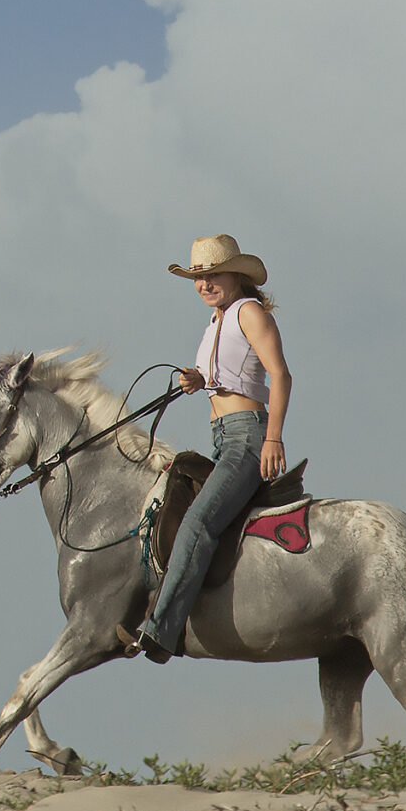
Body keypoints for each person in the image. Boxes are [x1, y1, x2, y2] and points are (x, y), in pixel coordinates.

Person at [130, 234, 293, 664]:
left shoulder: (249, 313)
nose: (204, 284)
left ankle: (162, 631)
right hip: (222, 438)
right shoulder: (215, 323)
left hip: (247, 438)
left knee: (198, 522)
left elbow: (281, 376)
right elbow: (226, 378)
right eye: (198, 278)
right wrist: (197, 381)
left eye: (212, 275)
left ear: (236, 275)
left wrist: (273, 437)